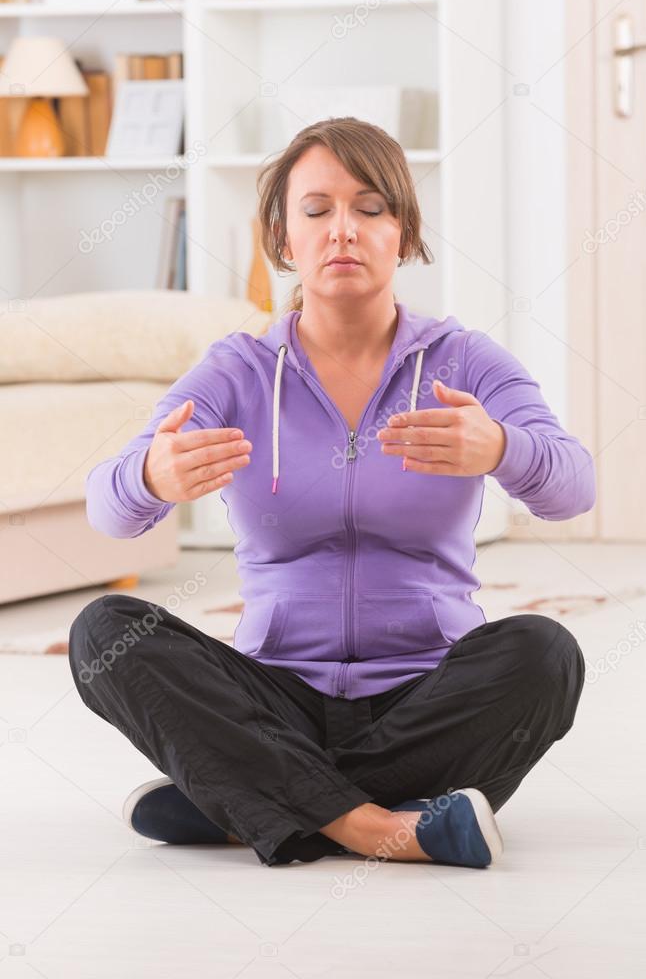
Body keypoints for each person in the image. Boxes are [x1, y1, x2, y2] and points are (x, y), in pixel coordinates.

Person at [69, 116, 594, 869]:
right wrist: (149, 476)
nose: (341, 230)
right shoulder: (237, 370)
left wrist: (502, 446)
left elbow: (573, 489)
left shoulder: (466, 362)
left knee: (545, 654)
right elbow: (106, 510)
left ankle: (243, 801)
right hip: (272, 695)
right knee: (102, 633)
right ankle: (384, 828)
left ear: (404, 234)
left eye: (370, 208)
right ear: (284, 239)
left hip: (426, 695)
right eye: (315, 211)